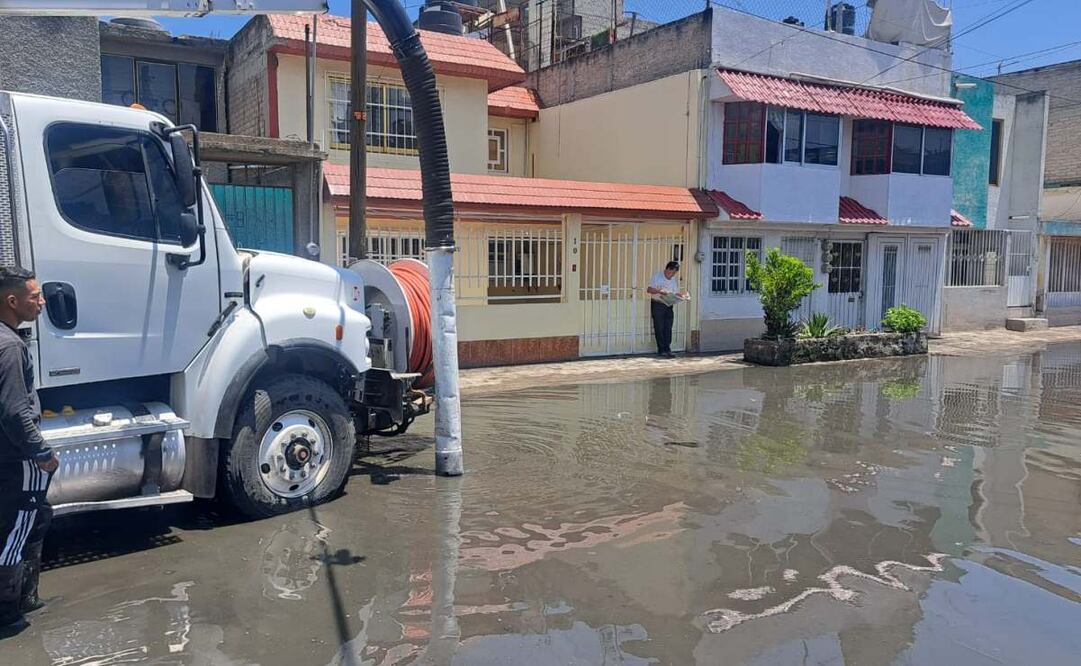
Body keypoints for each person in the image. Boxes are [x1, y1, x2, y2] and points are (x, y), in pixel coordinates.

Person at [0, 266, 57, 631]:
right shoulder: (10, 346)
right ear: (11, 300)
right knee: (17, 530)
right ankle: (9, 612)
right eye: (34, 296)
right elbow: (15, 410)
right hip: (18, 458)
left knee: (38, 518)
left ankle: (25, 595)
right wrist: (42, 454)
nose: (42, 301)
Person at [646, 260, 683, 359]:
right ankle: (661, 349)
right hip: (658, 304)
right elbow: (649, 289)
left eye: (674, 273)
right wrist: (660, 291)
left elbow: (675, 292)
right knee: (659, 327)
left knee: (668, 327)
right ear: (666, 269)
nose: (671, 275)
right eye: (670, 272)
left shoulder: (673, 280)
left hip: (669, 305)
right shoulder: (657, 276)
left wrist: (682, 296)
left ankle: (668, 349)